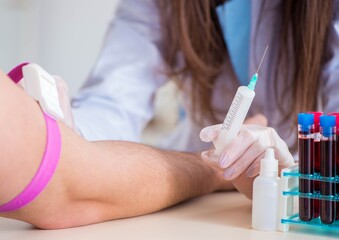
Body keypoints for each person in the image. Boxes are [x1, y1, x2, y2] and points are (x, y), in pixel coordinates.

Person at [67, 0, 338, 180]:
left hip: (291, 171)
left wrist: (291, 172)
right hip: (196, 173)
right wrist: (64, 126)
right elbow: (113, 98)